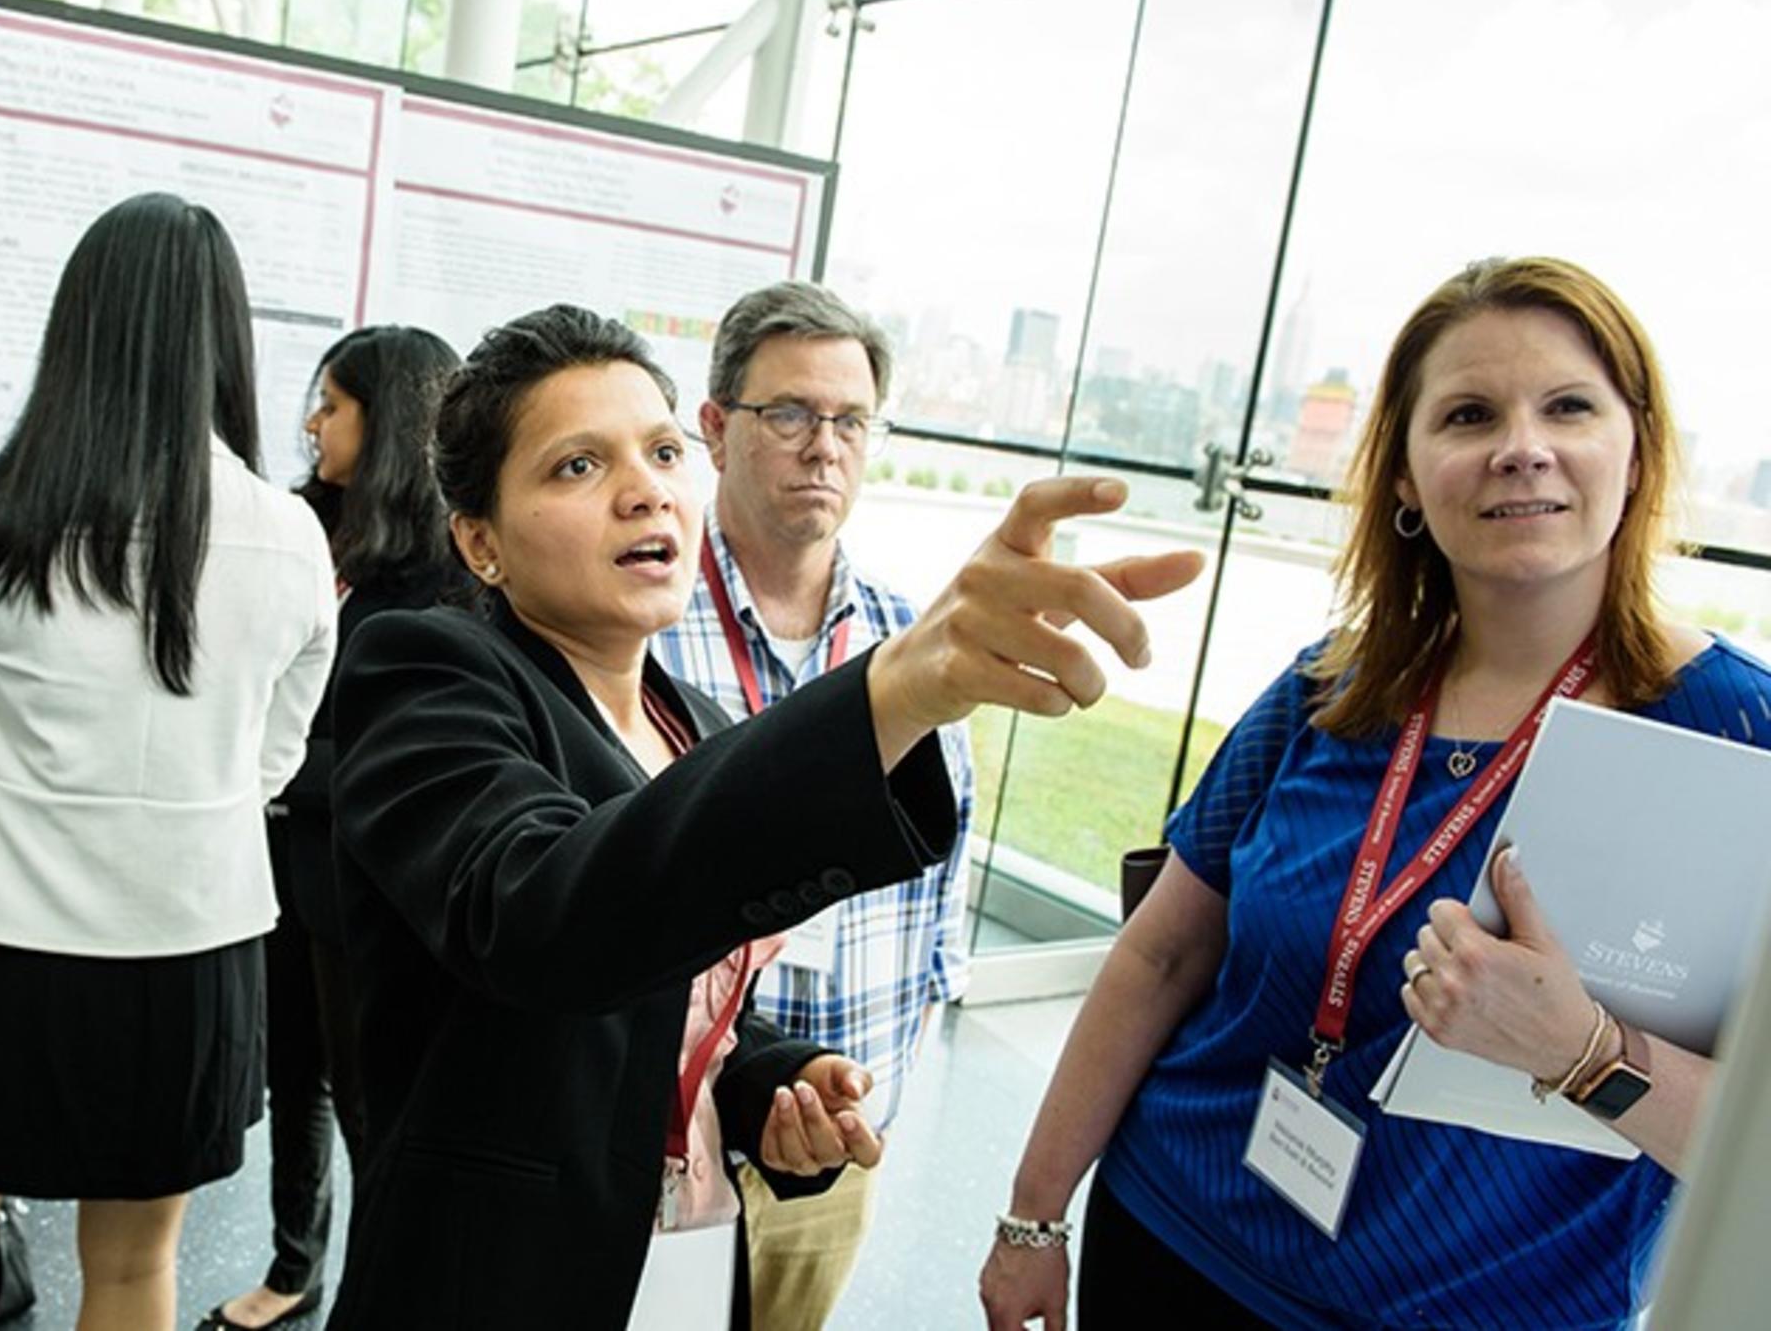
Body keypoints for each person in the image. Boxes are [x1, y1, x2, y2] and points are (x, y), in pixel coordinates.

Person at [325, 304, 1201, 1328]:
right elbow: (544, 915)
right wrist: (895, 689)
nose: (645, 489)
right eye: (576, 467)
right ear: (480, 542)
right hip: (497, 1278)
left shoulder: (682, 717)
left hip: (685, 1247)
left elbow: (676, 986)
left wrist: (765, 1075)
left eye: (659, 451)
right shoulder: (426, 674)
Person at [978, 256, 1771, 1331]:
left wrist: (1583, 1054)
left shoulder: (1736, 735)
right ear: (1405, 475)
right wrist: (1034, 1217)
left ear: (1636, 447)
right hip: (1174, 1232)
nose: (1521, 447)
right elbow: (1160, 958)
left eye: (1569, 406)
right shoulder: (1328, 689)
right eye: (1469, 414)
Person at [0, 192, 335, 1330]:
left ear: (74, 325)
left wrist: (15, 827)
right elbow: (270, 760)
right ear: (227, 340)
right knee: (138, 1269)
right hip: (187, 948)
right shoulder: (289, 535)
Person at [653, 280, 973, 1329]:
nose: (821, 446)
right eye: (788, 413)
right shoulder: (645, 616)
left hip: (835, 1124)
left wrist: (904, 1037)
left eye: (848, 422)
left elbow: (945, 860)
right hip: (667, 1114)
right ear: (714, 426)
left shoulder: (906, 639)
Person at [201, 324, 464, 1331]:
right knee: (291, 1080)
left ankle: (373, 1296)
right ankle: (294, 1268)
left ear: (388, 420)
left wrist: (271, 768)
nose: (311, 421)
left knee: (369, 1107)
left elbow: (391, 753)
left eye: (333, 403)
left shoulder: (443, 578)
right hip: (275, 870)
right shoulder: (296, 532)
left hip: (368, 889)